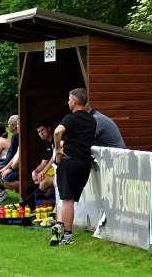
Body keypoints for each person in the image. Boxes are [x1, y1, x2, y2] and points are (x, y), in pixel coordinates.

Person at [51, 88, 97, 247]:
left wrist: (57, 149)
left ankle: (67, 235)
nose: (68, 102)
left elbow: (57, 132)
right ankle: (57, 229)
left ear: (75, 102)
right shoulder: (92, 120)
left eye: (69, 99)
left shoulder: (70, 118)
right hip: (84, 164)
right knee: (69, 199)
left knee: (67, 199)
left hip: (69, 161)